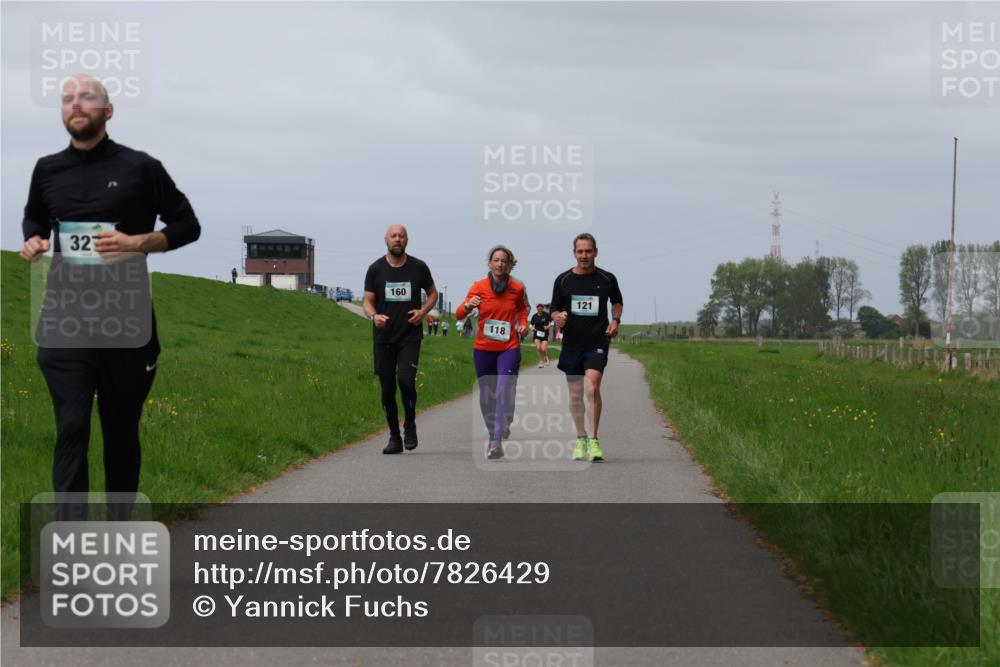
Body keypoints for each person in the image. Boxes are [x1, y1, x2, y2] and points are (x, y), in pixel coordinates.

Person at [20, 74, 201, 510]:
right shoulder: (47, 169)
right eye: (67, 99)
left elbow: (187, 225)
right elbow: (35, 218)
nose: (75, 104)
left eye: (86, 98)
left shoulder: (141, 168)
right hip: (65, 320)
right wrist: (34, 239)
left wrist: (140, 242)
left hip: (126, 322)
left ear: (108, 111)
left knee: (120, 432)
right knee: (72, 429)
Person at [363, 224, 437, 454]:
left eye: (401, 236)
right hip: (384, 338)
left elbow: (433, 293)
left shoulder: (418, 267)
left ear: (407, 240)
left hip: (409, 337)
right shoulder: (375, 269)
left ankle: (410, 425)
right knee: (387, 389)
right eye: (393, 236)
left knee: (406, 381)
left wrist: (423, 312)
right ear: (386, 240)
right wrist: (374, 316)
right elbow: (367, 301)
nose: (397, 239)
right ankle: (394, 436)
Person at [549, 233, 623, 462]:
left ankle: (594, 440)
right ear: (574, 253)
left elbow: (617, 301)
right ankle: (580, 438)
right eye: (580, 251)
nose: (584, 256)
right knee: (575, 394)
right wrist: (557, 317)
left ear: (596, 252)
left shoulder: (607, 278)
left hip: (597, 341)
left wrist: (615, 320)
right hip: (572, 343)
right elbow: (554, 309)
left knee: (592, 388)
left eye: (588, 251)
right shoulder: (563, 280)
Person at [456, 246, 529, 460]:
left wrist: (523, 324)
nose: (500, 264)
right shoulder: (478, 286)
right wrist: (469, 305)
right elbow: (459, 314)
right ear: (490, 263)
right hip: (484, 349)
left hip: (508, 347)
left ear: (509, 264)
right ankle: (493, 431)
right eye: (496, 260)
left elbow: (523, 309)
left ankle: (496, 441)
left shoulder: (517, 287)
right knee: (487, 394)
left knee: (503, 388)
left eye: (504, 261)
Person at [529, 303, 554, 368]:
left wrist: (548, 326)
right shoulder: (534, 316)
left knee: (543, 349)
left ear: (543, 308)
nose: (540, 309)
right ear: (537, 309)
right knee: (538, 347)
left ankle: (545, 356)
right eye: (538, 308)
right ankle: (540, 362)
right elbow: (530, 324)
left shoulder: (546, 315)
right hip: (536, 334)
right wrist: (532, 328)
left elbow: (552, 322)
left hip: (544, 334)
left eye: (541, 308)